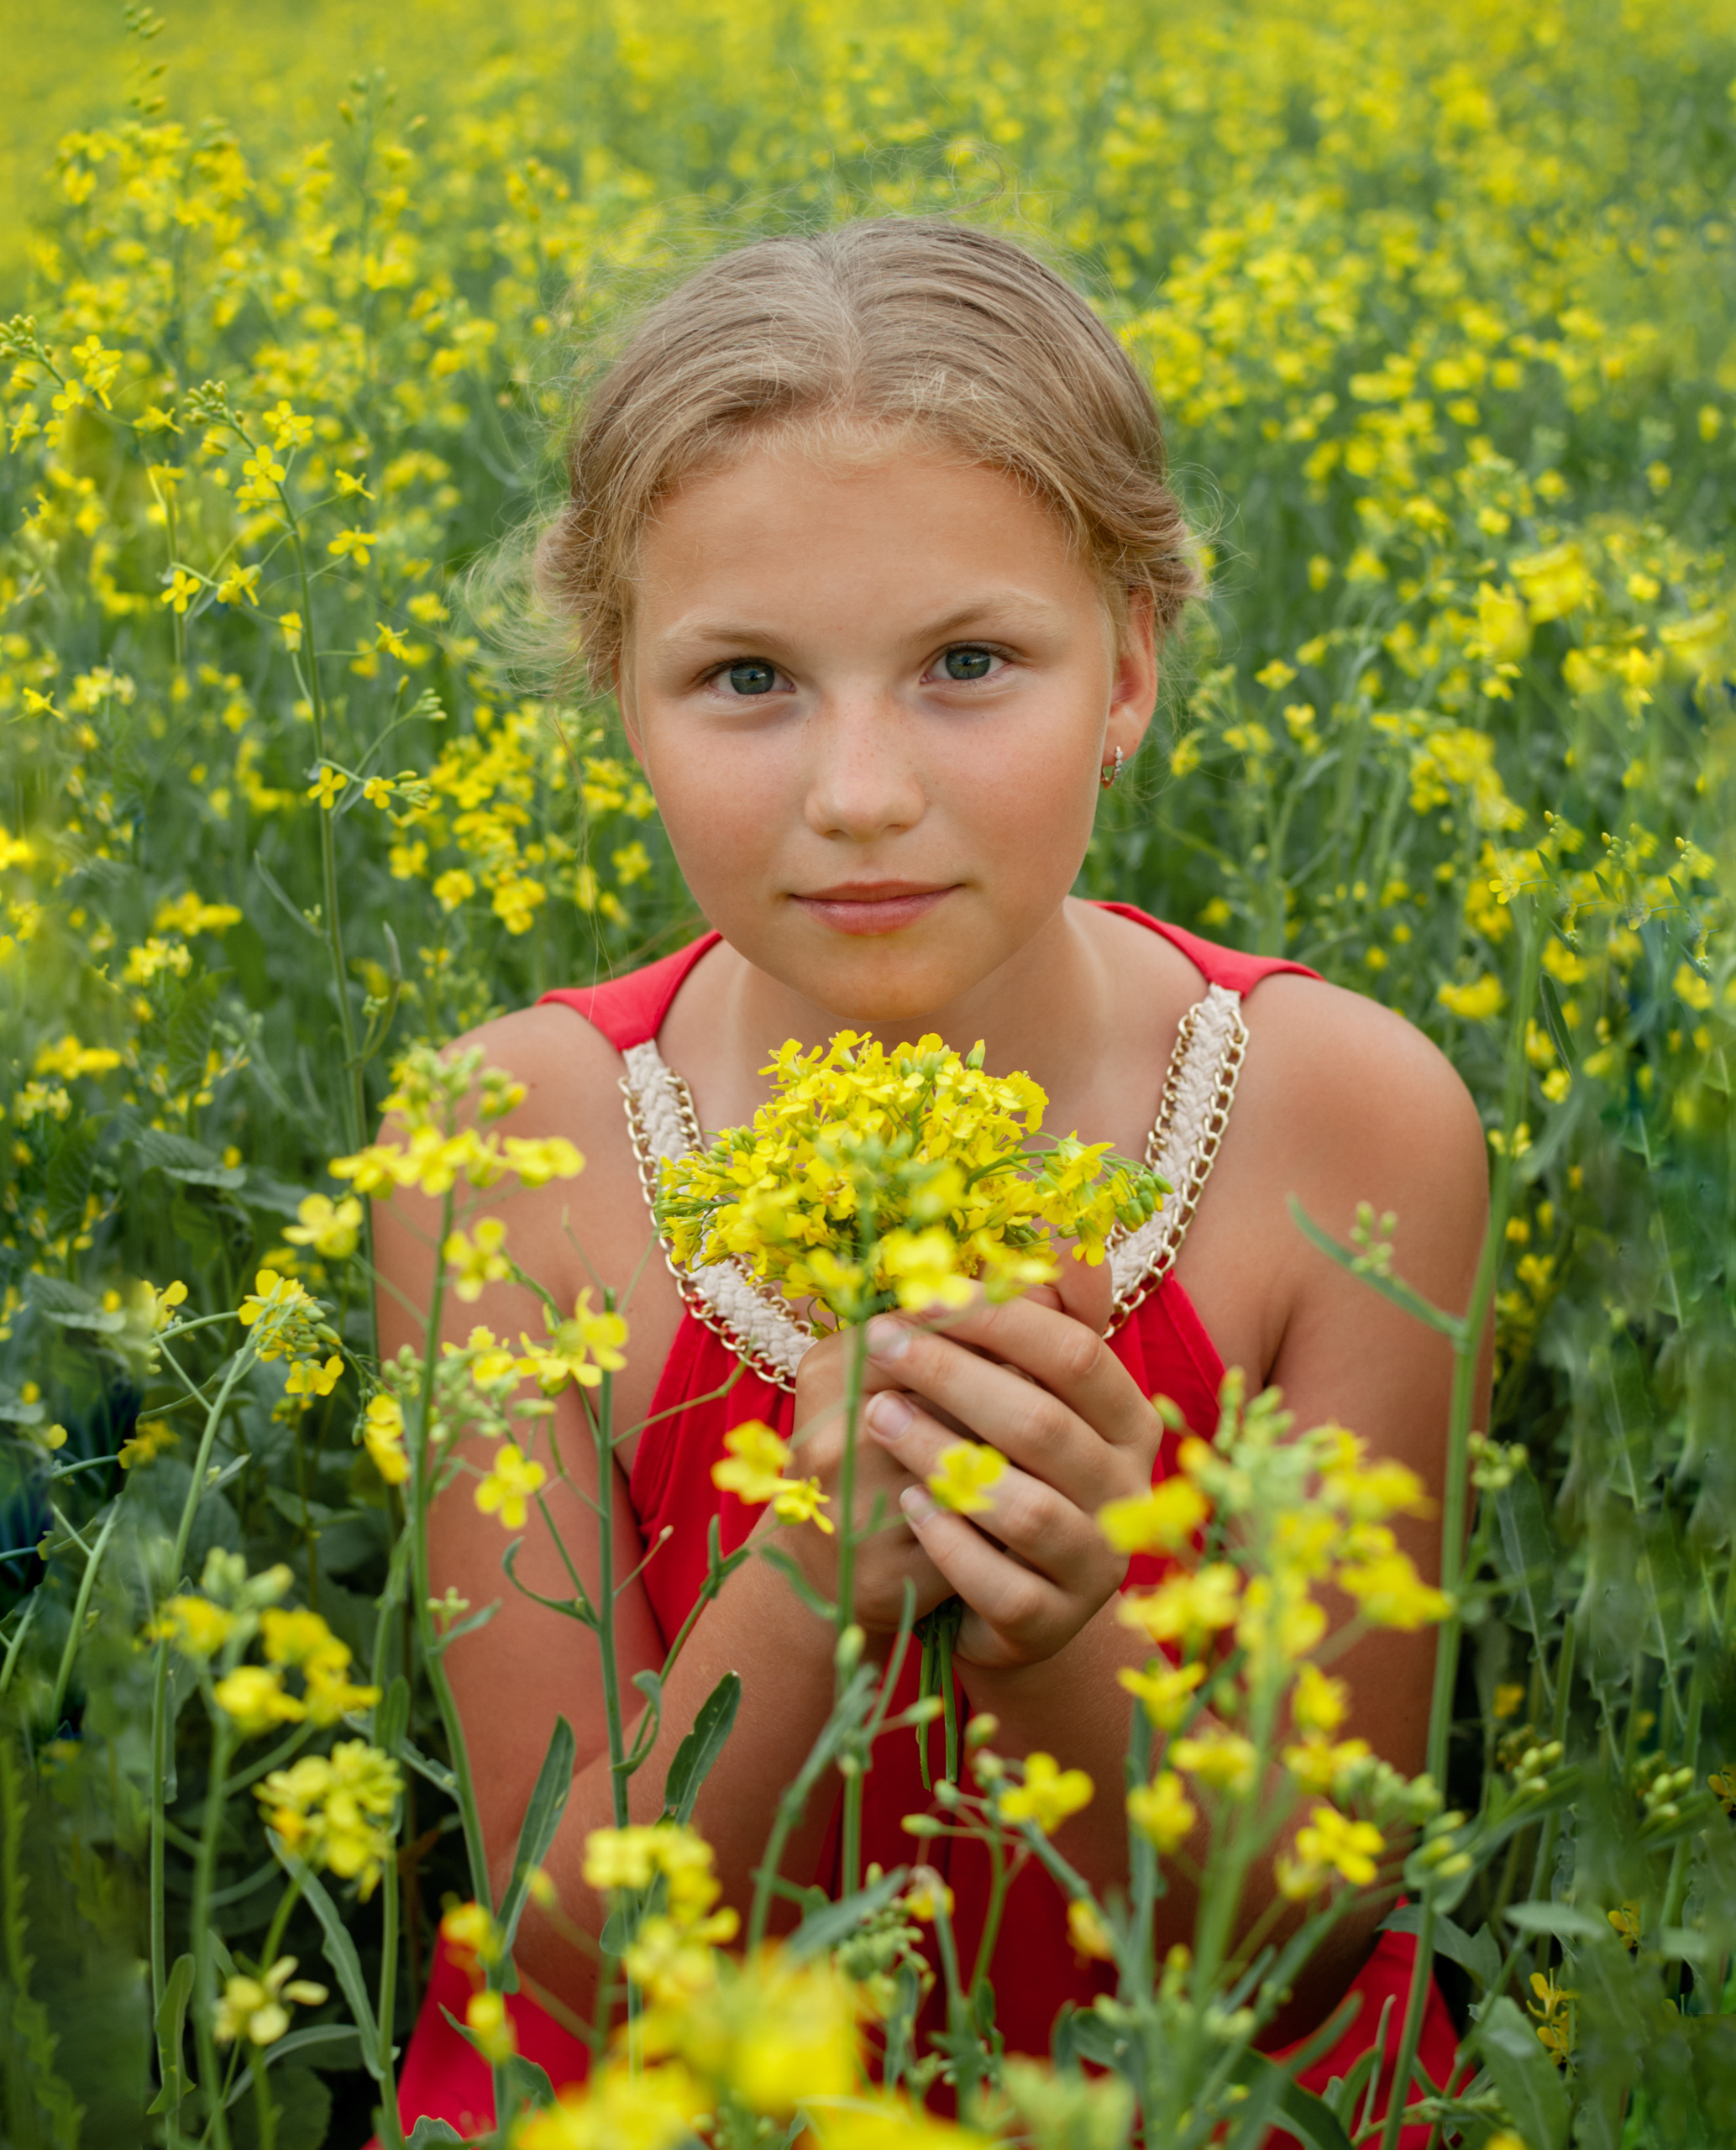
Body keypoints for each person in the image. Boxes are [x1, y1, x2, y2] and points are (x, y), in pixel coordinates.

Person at [374, 218, 1483, 2138]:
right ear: (616, 691)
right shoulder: (500, 1146)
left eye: (969, 660)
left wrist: (1070, 1620)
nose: (860, 787)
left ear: (1128, 664)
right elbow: (564, 1944)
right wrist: (810, 1569)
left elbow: (1304, 1941)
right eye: (744, 679)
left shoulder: (1345, 1118)